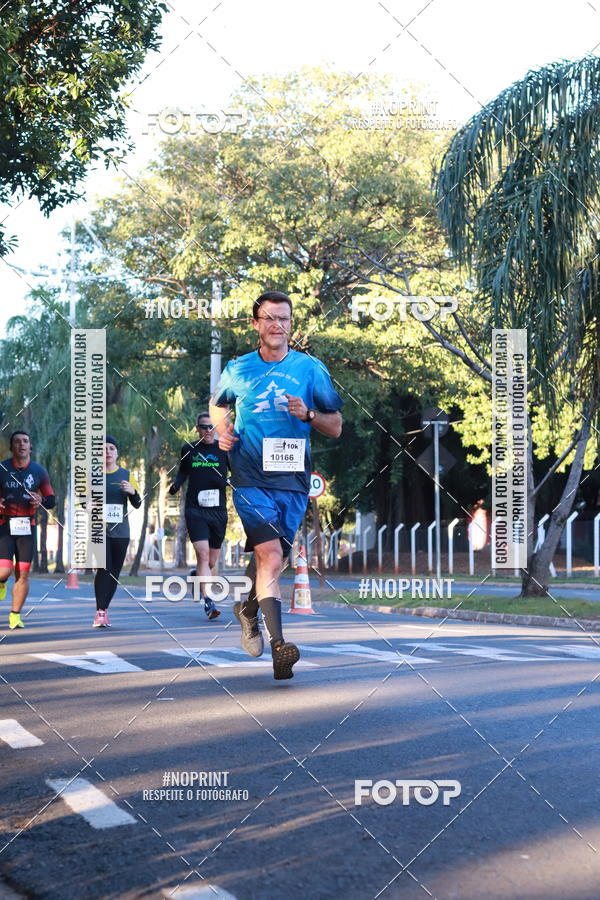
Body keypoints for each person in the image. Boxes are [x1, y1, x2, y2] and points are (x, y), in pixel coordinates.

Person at [210, 290, 343, 679]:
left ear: (291, 325)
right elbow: (219, 404)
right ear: (256, 324)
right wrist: (223, 430)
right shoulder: (238, 368)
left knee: (273, 561)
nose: (276, 325)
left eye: (283, 319)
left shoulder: (310, 369)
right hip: (250, 475)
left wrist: (309, 413)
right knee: (269, 556)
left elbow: (335, 427)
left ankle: (248, 610)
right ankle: (279, 648)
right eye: (268, 318)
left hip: (293, 480)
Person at [168, 412, 229, 620]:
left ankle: (197, 577)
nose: (208, 431)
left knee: (210, 562)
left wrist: (229, 483)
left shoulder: (224, 450)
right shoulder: (189, 449)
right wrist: (176, 485)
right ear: (197, 428)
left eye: (212, 427)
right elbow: (183, 471)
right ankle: (209, 602)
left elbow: (237, 474)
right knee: (202, 554)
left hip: (218, 511)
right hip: (195, 509)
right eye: (204, 427)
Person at [0, 431, 55, 629]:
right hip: (4, 526)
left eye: (25, 441)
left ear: (30, 447)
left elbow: (51, 500)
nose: (21, 445)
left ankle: (15, 615)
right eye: (17, 442)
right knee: (3, 570)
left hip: (27, 528)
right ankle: (2, 581)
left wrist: (41, 499)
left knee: (23, 574)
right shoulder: (2, 468)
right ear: (11, 447)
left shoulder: (39, 472)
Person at [93, 436, 142, 627]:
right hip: (100, 530)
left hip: (121, 531)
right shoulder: (92, 476)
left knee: (113, 573)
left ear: (117, 452)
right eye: (103, 449)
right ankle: (100, 611)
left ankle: (104, 609)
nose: (107, 452)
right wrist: (87, 505)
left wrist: (133, 492)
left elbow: (137, 504)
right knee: (104, 568)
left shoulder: (126, 475)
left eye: (111, 448)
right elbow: (83, 500)